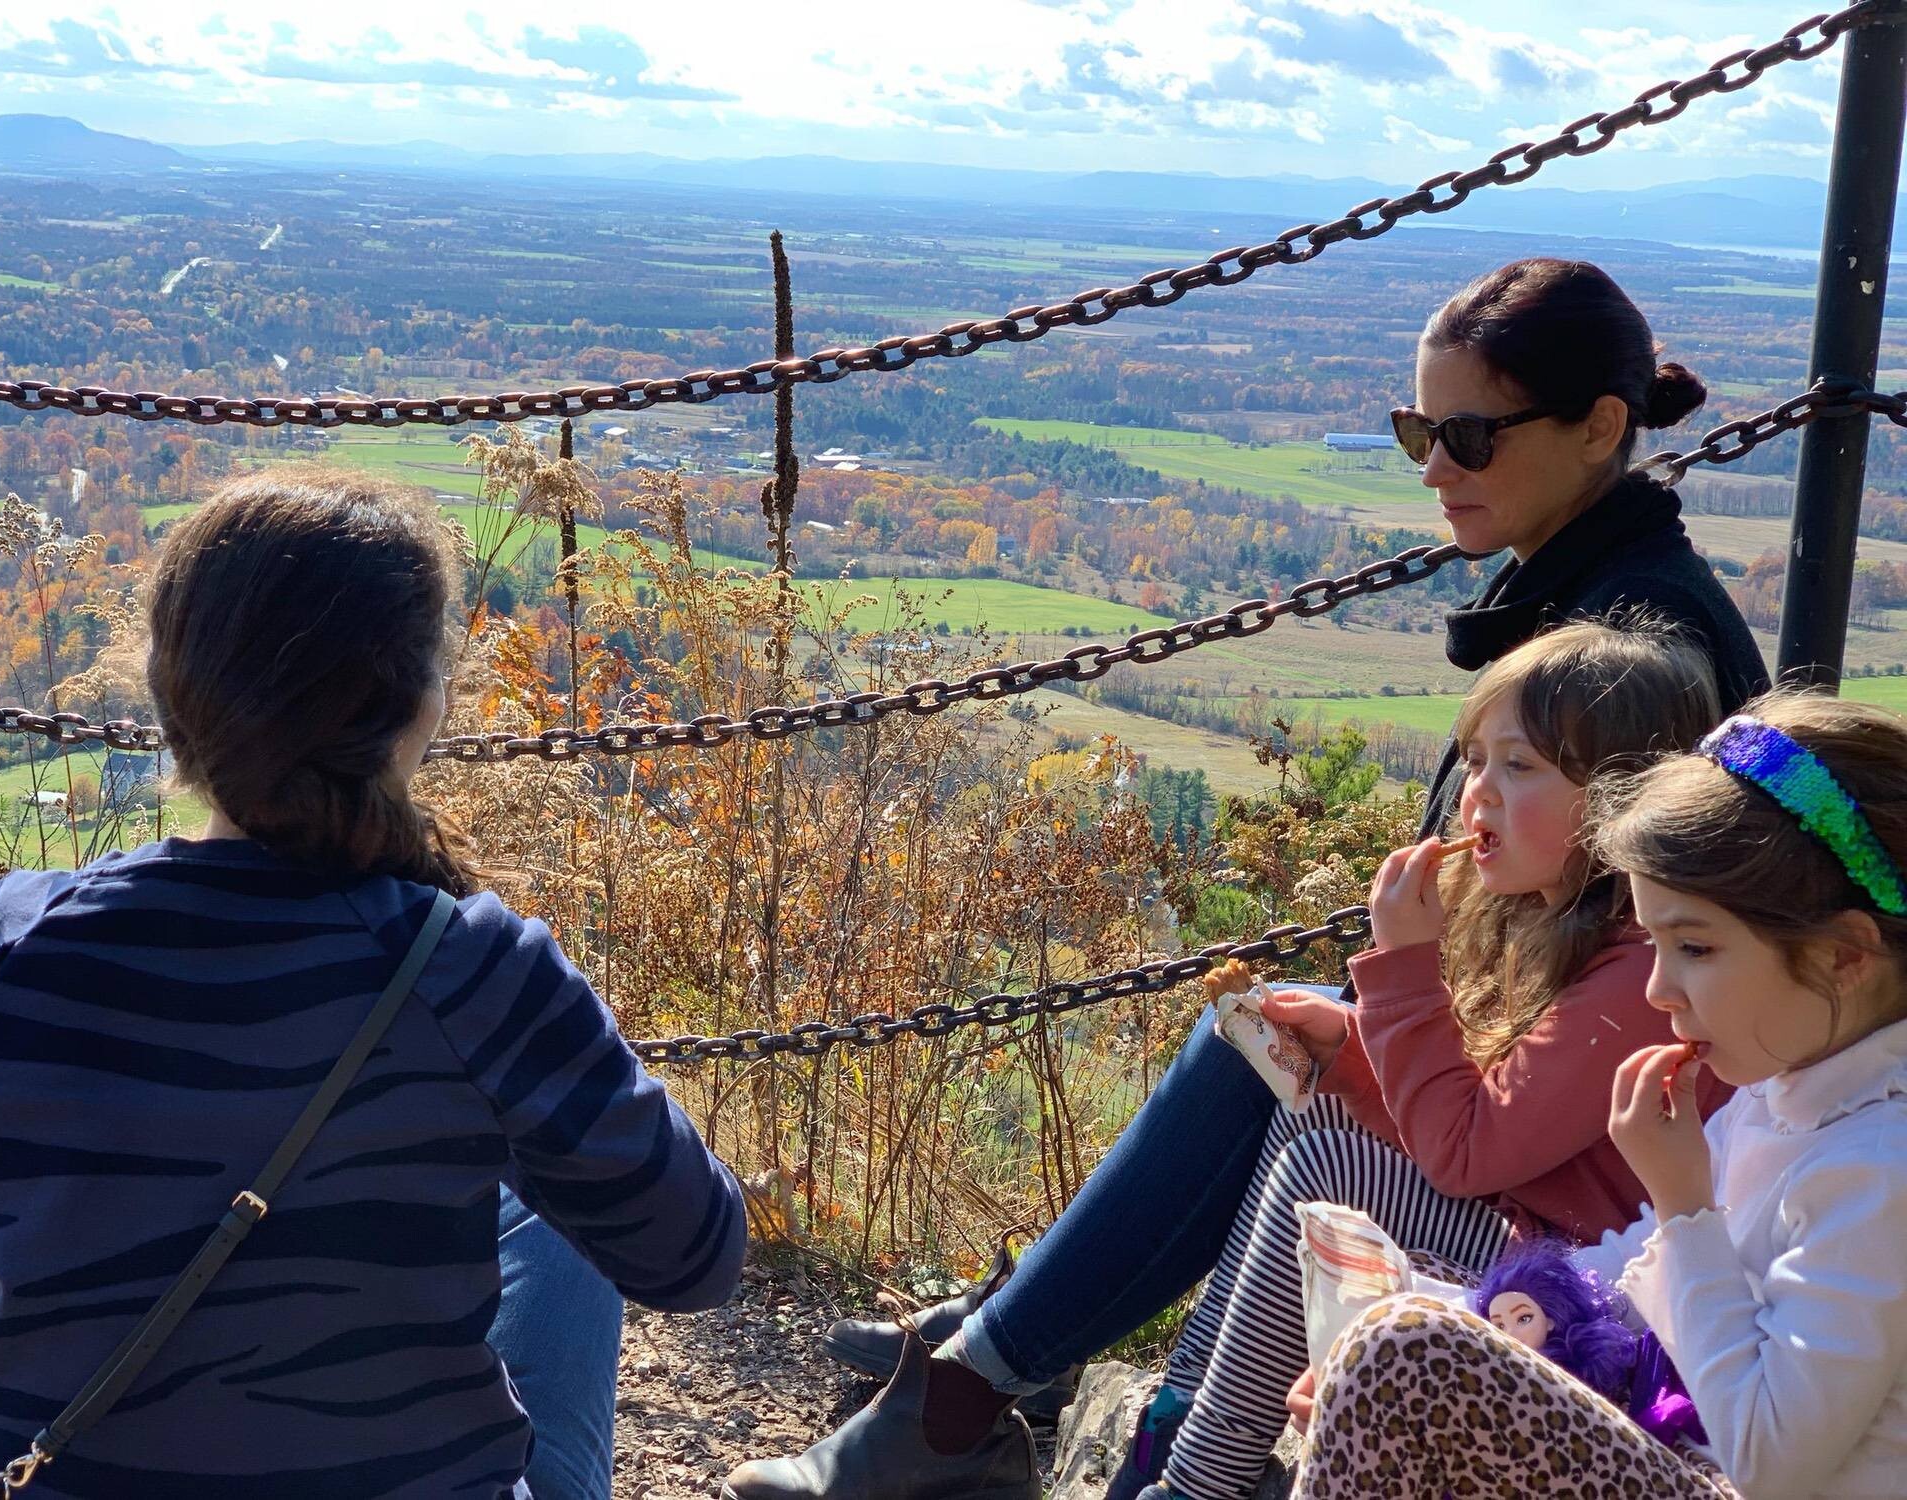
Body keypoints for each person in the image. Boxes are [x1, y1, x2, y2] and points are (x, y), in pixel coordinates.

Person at [723, 256, 1767, 1500]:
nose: (1434, 465)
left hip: (1566, 1201)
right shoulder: (1580, 592)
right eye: (1415, 430)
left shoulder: (1641, 647)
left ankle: (992, 1388)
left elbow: (1552, 1053)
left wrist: (1397, 983)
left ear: (1600, 429)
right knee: (1265, 1045)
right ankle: (1011, 1364)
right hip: (1526, 1086)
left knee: (1280, 1095)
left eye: (1469, 435)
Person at [0, 469, 747, 1499]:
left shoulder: (8, 938)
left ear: (174, 688)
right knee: (549, 1206)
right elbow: (696, 1256)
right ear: (417, 704)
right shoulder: (472, 967)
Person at [1128, 621, 1730, 1500]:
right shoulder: (1567, 926)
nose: (1477, 795)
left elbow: (1466, 1151)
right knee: (1323, 1112)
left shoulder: (1637, 973)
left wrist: (1406, 968)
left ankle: (1193, 1482)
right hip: (1538, 1241)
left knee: (1326, 1163)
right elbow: (1484, 1126)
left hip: (1587, 1295)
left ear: (1616, 799)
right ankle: (1190, 1432)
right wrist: (1354, 1053)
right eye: (1473, 761)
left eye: (1518, 767)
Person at [1292, 692, 1907, 1497]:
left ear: (1844, 956)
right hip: (1675, 1444)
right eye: (1654, 943)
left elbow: (1770, 1460)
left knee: (1403, 1351)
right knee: (1392, 1320)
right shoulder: (1784, 1095)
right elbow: (1628, 1277)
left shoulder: (1880, 1166)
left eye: (1694, 947)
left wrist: (1686, 1206)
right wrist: (1454, 1317)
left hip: (1722, 1476)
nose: (1660, 990)